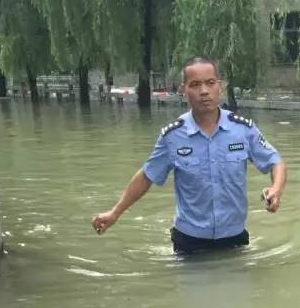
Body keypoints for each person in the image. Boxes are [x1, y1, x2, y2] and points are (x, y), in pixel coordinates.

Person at [91, 57, 287, 254]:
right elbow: (146, 176)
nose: (203, 91)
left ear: (220, 86)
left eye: (210, 83)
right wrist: (115, 213)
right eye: (195, 85)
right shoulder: (172, 136)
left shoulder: (243, 130)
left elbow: (275, 161)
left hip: (234, 238)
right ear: (184, 90)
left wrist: (276, 189)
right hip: (189, 243)